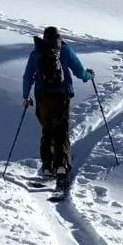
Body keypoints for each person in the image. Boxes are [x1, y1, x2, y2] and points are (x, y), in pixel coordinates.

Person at [22, 26, 93, 187]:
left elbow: (27, 76)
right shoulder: (65, 51)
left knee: (47, 129)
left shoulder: (36, 53)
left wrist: (26, 96)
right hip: (61, 95)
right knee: (61, 130)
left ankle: (47, 166)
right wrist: (89, 75)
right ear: (58, 37)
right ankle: (61, 166)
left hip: (42, 96)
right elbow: (80, 71)